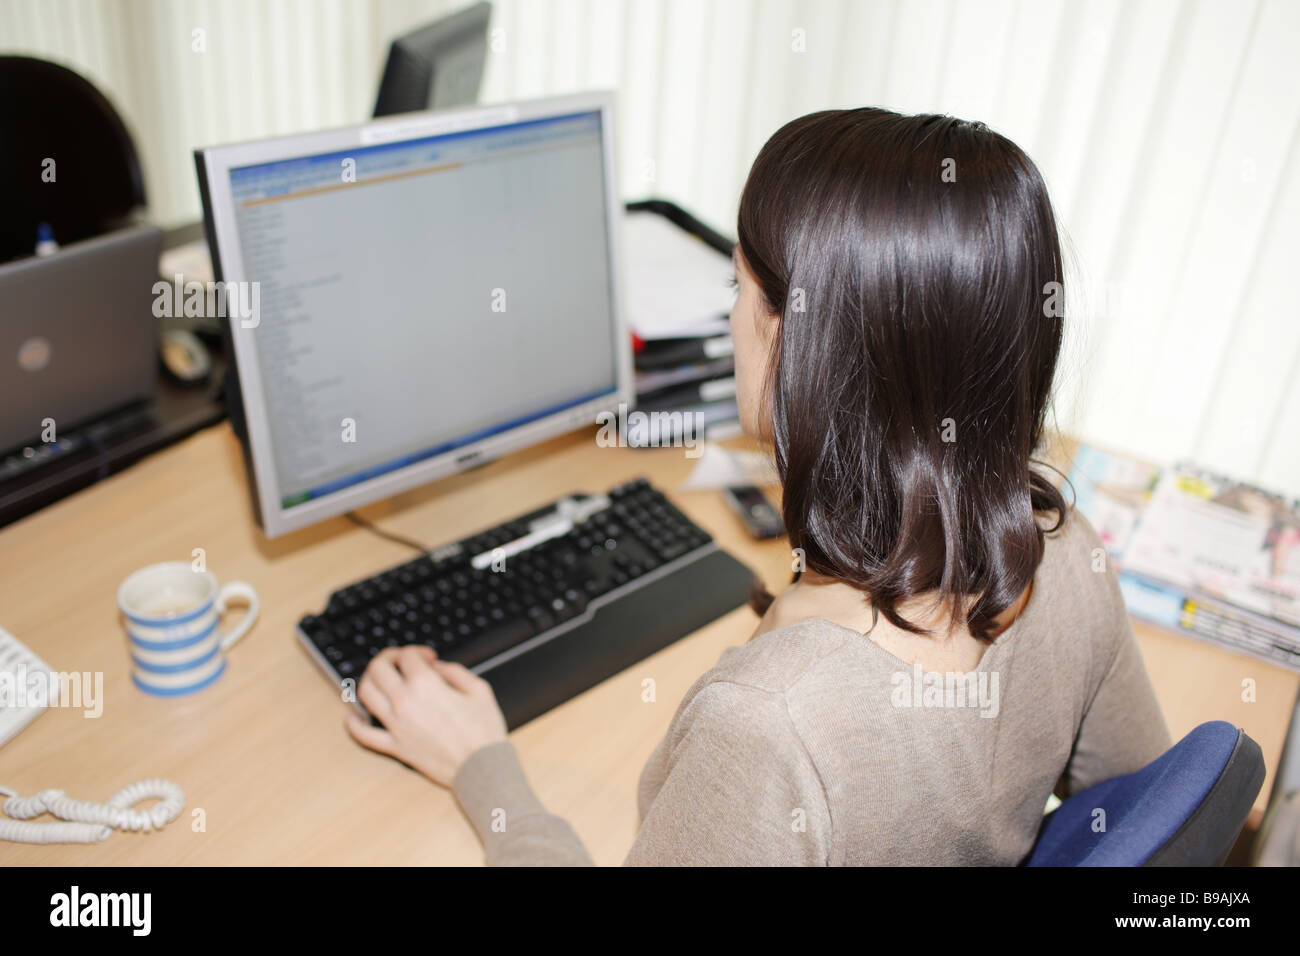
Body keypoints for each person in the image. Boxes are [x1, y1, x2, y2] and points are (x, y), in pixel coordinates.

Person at [344, 107, 1171, 866]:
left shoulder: (768, 728)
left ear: (795, 340)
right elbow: (1147, 806)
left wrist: (486, 772)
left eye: (734, 287)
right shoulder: (1065, 553)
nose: (731, 317)